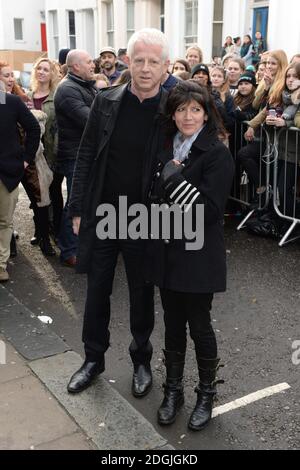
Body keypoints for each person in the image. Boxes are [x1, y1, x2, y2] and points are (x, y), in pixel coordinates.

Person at [66, 29, 170, 397]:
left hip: (145, 218)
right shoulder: (106, 100)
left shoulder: (173, 109)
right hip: (104, 213)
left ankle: (141, 360)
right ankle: (93, 359)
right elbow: (86, 155)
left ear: (165, 67)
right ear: (128, 61)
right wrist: (77, 207)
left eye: (152, 62)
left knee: (142, 294)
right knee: (97, 290)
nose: (144, 68)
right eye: (138, 60)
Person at [145, 81, 234, 430]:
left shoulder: (216, 152)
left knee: (199, 325)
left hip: (198, 256)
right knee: (171, 324)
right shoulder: (167, 146)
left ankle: (207, 393)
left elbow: (210, 211)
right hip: (167, 251)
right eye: (181, 109)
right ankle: (173, 390)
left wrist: (175, 183)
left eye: (195, 109)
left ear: (206, 112)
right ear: (173, 112)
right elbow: (151, 194)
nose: (187, 116)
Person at [54, 49, 98, 267]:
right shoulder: (67, 90)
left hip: (85, 155)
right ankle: (69, 250)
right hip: (75, 156)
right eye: (89, 62)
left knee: (83, 201)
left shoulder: (83, 86)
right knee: (75, 202)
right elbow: (91, 120)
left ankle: (78, 245)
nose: (94, 65)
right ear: (76, 66)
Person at [0, 91, 40, 281]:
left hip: (6, 173)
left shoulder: (11, 101)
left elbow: (33, 128)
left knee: (4, 221)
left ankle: (0, 265)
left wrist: (25, 160)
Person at [27, 57, 60, 254]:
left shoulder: (56, 97)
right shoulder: (28, 96)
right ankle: (40, 230)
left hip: (51, 152)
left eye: (46, 69)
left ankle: (54, 229)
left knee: (54, 193)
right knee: (36, 195)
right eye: (39, 68)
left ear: (52, 74)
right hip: (34, 155)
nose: (41, 72)